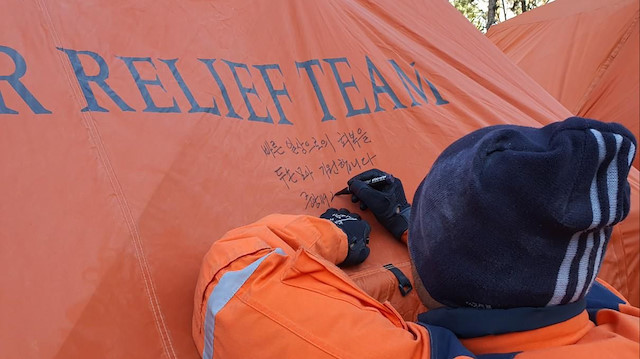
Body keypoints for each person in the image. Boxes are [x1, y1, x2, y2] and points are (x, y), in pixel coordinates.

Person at [192, 117, 639, 358]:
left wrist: (337, 234)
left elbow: (235, 274)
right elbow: (531, 265)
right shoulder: (613, 315)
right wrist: (411, 222)